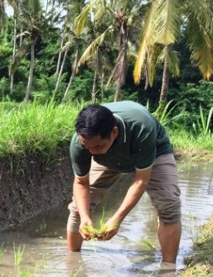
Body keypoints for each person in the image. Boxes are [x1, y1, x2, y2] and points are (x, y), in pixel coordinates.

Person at [67, 101, 181, 263]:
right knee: (78, 208)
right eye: (88, 147)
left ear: (114, 132)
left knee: (168, 206)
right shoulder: (81, 143)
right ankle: (73, 263)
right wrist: (85, 217)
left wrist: (117, 219)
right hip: (107, 160)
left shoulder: (141, 127)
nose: (92, 152)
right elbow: (80, 183)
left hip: (154, 153)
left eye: (98, 146)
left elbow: (141, 179)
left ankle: (169, 269)